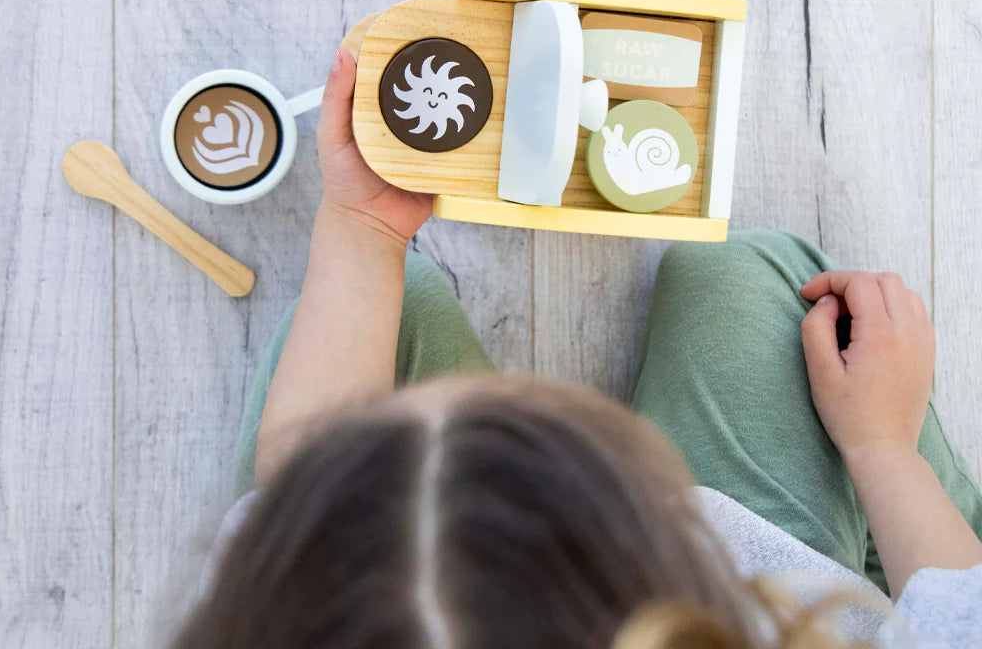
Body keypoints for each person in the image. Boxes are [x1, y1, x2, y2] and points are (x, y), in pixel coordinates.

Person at [172, 48, 982, 649]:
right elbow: (957, 613)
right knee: (744, 282)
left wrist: (363, 231)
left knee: (397, 302)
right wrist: (883, 447)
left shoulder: (294, 609)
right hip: (825, 601)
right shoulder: (774, 612)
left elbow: (302, 472)